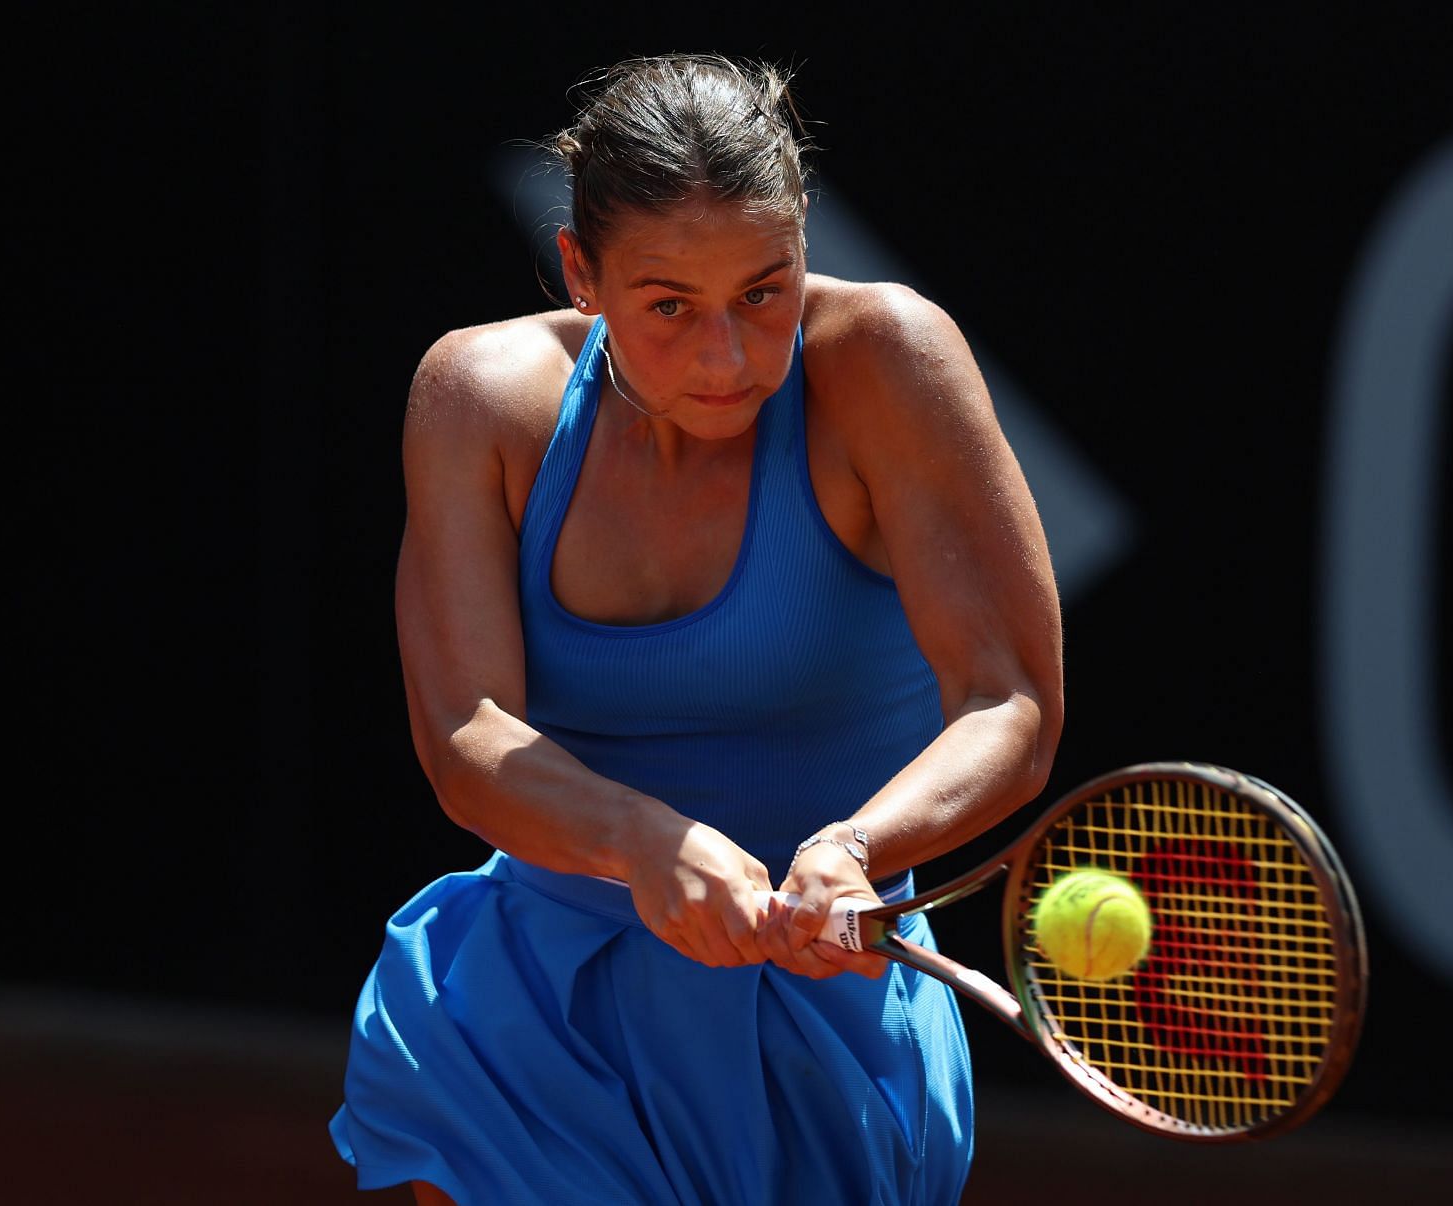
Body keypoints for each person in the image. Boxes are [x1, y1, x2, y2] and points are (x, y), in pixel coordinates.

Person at [329, 52, 1064, 1206]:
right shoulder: (481, 397)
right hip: (533, 1018)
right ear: (582, 271)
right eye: (669, 306)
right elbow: (464, 732)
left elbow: (1009, 699)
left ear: (806, 242)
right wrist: (644, 843)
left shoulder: (890, 363)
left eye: (763, 292)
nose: (726, 358)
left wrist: (856, 849)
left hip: (828, 1025)